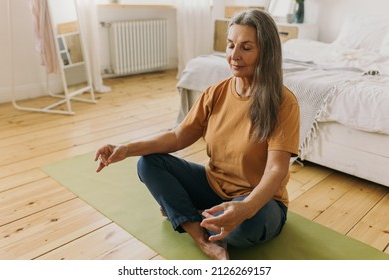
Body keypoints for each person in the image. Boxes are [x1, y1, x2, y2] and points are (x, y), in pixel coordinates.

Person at [95, 9, 300, 260]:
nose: (234, 56)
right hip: (212, 185)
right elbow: (178, 136)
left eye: (246, 48)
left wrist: (245, 208)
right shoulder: (216, 92)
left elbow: (275, 171)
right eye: (231, 45)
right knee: (149, 162)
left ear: (265, 53)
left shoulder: (283, 102)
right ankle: (201, 237)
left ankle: (187, 213)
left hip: (260, 202)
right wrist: (126, 148)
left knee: (245, 228)